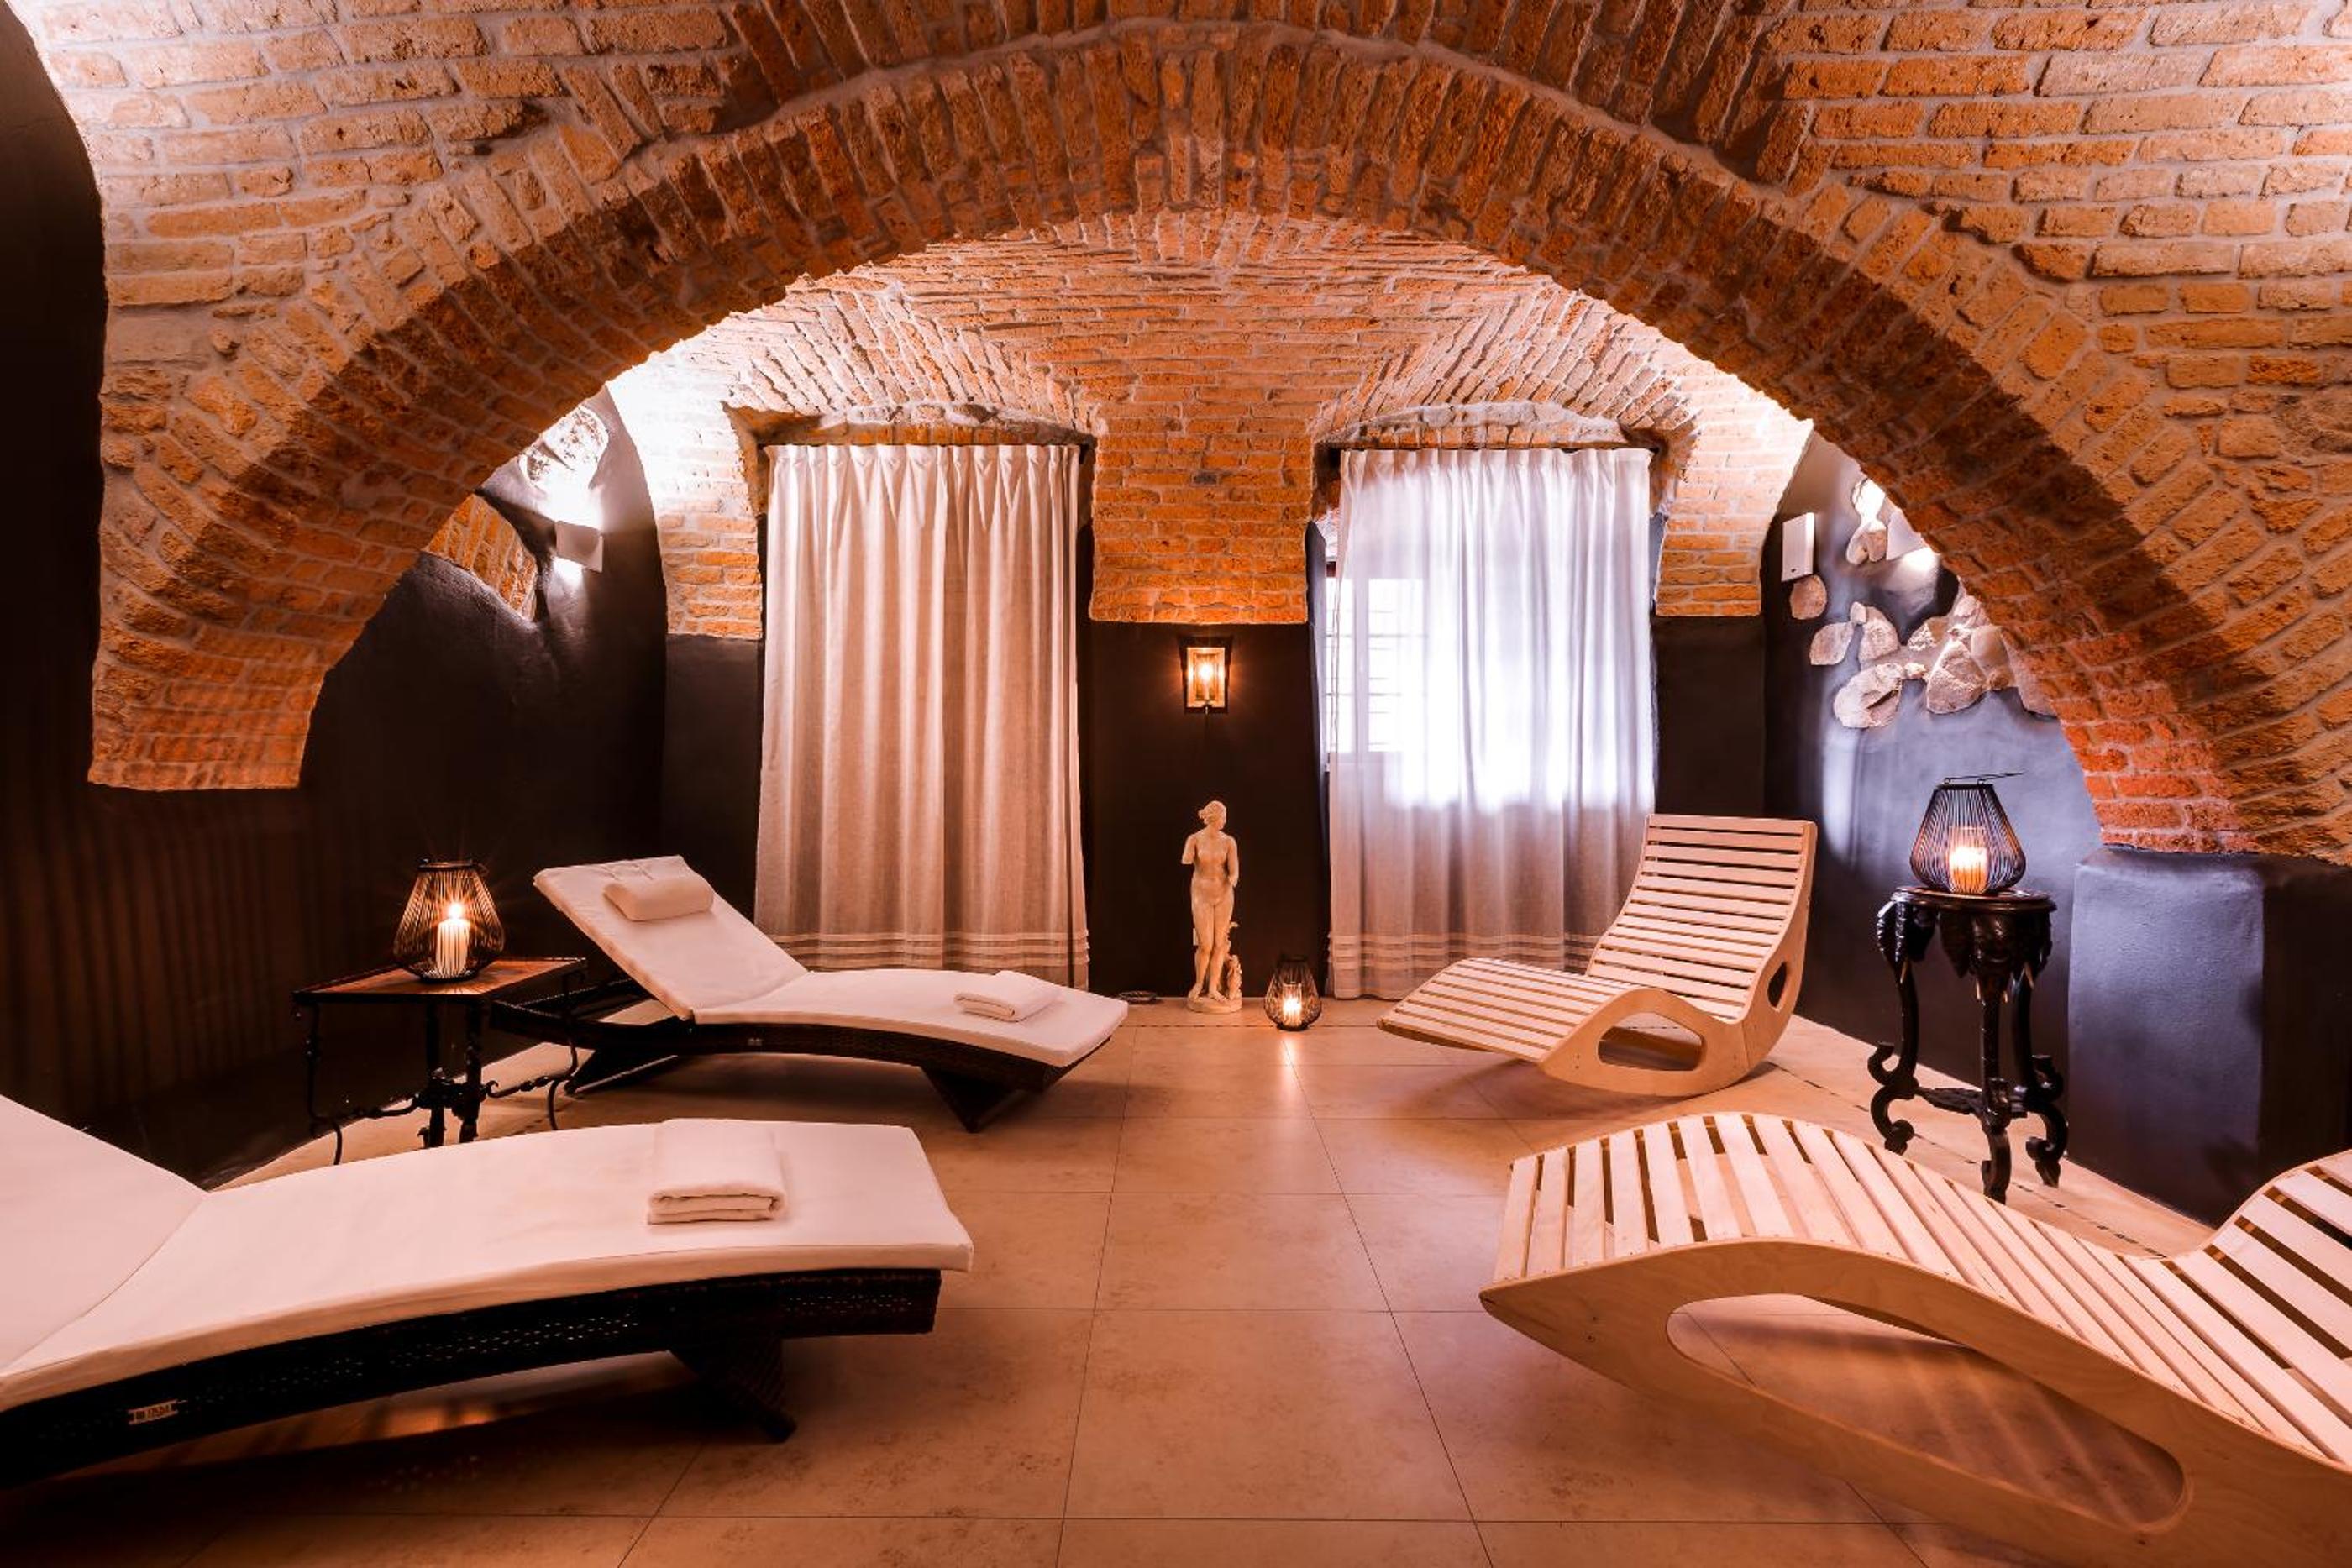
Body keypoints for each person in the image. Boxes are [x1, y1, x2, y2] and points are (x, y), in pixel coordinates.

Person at [1182, 800, 1239, 1006]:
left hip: (1224, 894)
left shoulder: (1229, 842)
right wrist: (1189, 853)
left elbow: (1234, 871)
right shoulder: (1195, 839)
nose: (1225, 821)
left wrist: (1233, 878)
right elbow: (1186, 859)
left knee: (1219, 944)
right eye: (1223, 817)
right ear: (1213, 818)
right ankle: (1199, 983)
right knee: (1205, 945)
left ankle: (1213, 988)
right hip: (1201, 895)